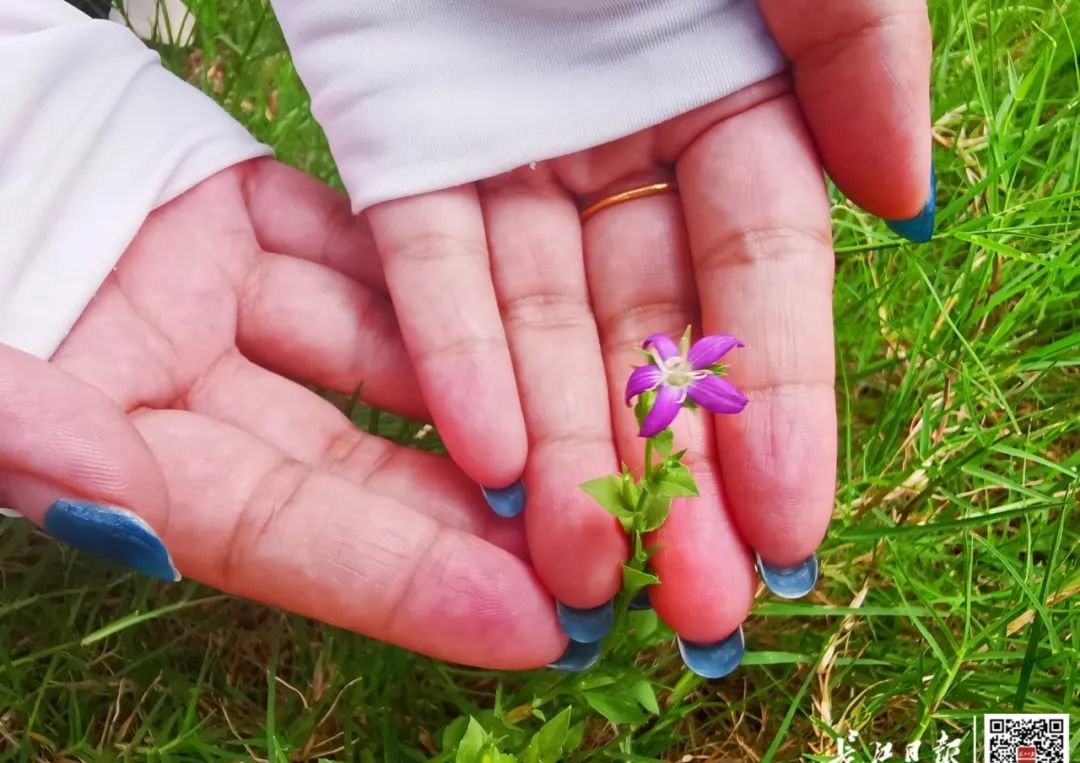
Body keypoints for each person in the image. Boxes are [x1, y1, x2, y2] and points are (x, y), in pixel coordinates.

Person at [0, 0, 933, 677]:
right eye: (679, 374)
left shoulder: (673, 385)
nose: (682, 376)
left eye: (683, 377)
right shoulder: (672, 385)